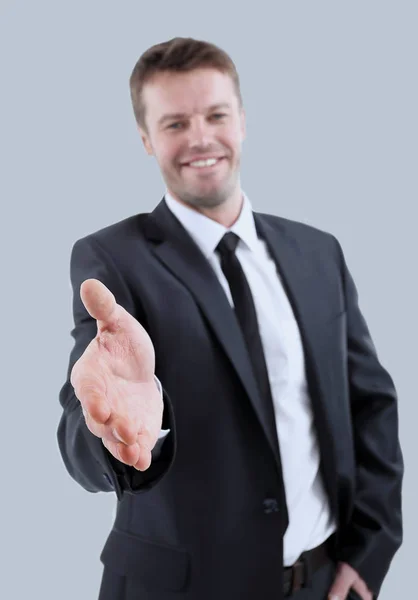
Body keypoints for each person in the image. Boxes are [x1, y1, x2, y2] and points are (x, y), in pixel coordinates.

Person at [57, 37, 403, 600]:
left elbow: (369, 406)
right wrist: (111, 434)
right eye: (173, 123)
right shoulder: (113, 259)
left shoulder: (318, 252)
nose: (199, 137)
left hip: (321, 582)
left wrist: (370, 552)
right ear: (146, 139)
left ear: (241, 121)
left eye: (215, 114)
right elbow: (84, 416)